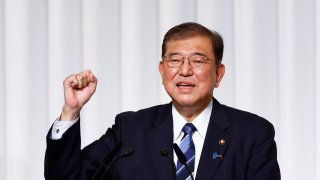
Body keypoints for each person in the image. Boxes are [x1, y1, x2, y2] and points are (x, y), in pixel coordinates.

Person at [45, 22, 281, 180]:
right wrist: (71, 111)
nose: (185, 71)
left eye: (198, 61)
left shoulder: (253, 133)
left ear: (218, 73)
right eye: (175, 60)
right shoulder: (131, 129)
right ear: (162, 70)